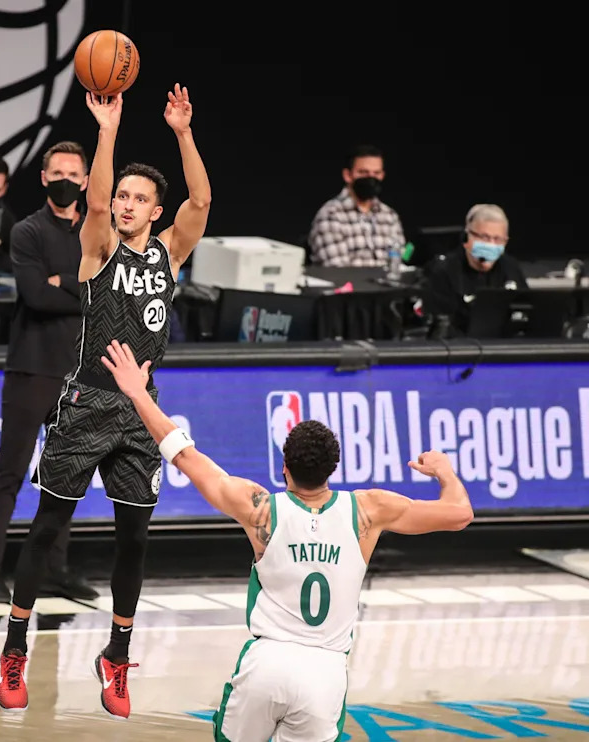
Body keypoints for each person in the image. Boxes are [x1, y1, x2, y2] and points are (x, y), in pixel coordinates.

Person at [98, 338, 474, 742]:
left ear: (284, 467)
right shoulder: (369, 510)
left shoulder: (261, 509)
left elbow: (184, 455)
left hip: (267, 664)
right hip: (325, 673)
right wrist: (444, 471)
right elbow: (459, 514)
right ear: (332, 469)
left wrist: (138, 393)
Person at [0, 83, 212, 717]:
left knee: (135, 541)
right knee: (47, 529)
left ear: (156, 211)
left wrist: (183, 133)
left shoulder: (170, 252)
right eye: (122, 195)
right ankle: (15, 645)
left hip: (142, 412)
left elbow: (201, 200)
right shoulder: (99, 248)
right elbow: (92, 199)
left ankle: (116, 655)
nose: (124, 203)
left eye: (138, 198)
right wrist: (107, 131)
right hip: (86, 403)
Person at [0, 141, 98, 604]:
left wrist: (63, 282)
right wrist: (79, 288)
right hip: (31, 368)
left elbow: (103, 295)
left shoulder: (95, 232)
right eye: (57, 173)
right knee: (10, 471)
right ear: (44, 178)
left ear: (86, 181)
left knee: (65, 476)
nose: (65, 180)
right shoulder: (26, 231)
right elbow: (35, 296)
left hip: (76, 372)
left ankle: (54, 569)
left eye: (73, 174)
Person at [420, 203, 528, 336]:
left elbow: (526, 311)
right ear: (467, 236)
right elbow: (440, 330)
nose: (491, 244)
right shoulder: (443, 271)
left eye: (498, 239)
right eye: (485, 237)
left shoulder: (510, 267)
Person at [309, 144, 407, 267]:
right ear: (347, 175)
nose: (371, 178)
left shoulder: (389, 215)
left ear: (382, 175)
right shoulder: (331, 214)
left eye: (376, 173)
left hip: (387, 279)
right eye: (363, 172)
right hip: (350, 279)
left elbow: (399, 261)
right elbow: (336, 269)